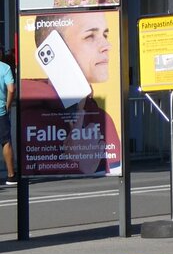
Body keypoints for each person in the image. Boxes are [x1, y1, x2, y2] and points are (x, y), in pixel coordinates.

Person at [23, 12, 120, 176]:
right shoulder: (28, 118)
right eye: (90, 36)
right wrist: (78, 165)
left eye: (104, 34)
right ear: (55, 47)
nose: (107, 45)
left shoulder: (102, 119)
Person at [0, 54, 15, 186]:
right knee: (6, 142)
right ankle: (11, 176)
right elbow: (11, 89)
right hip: (1, 111)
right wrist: (8, 106)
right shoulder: (4, 68)